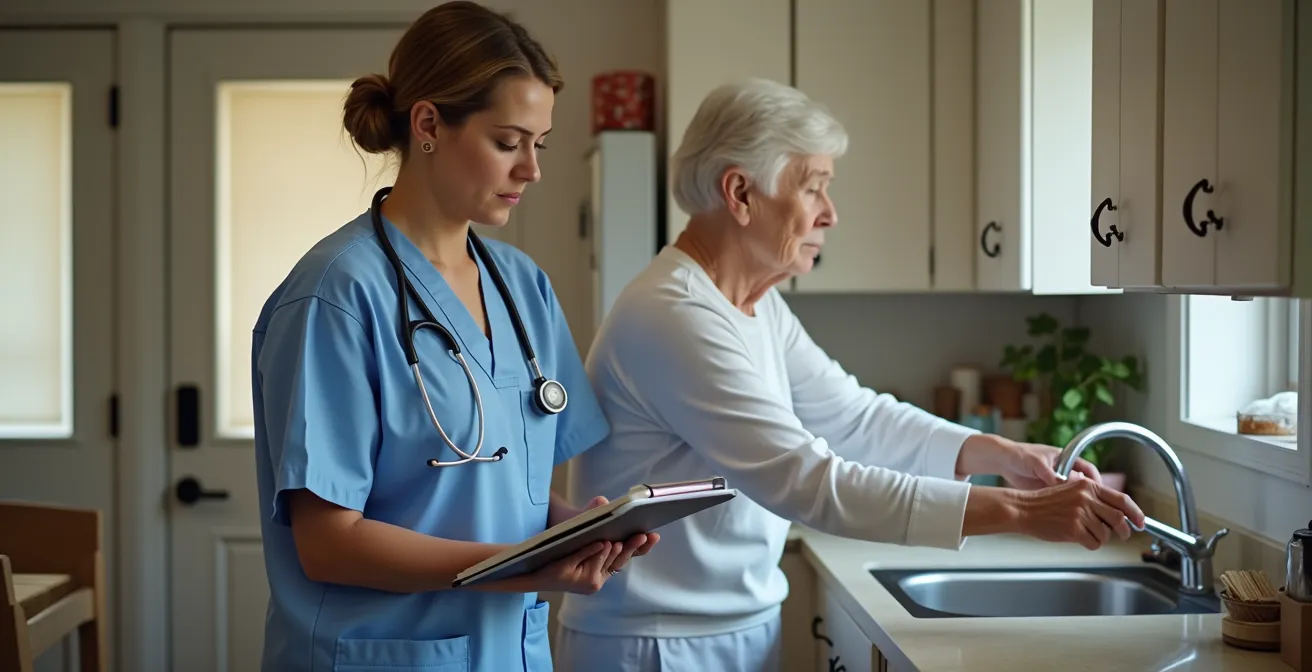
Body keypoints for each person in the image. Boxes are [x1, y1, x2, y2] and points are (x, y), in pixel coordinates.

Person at [552, 77, 1147, 671]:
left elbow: (856, 418)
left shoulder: (751, 306)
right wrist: (1020, 513)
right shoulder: (675, 314)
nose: (830, 214)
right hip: (656, 645)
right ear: (740, 192)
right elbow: (808, 481)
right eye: (813, 188)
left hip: (719, 630)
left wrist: (1004, 454)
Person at [249, 3, 657, 670]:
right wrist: (523, 569)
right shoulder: (337, 296)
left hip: (507, 650)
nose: (532, 169)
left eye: (540, 143)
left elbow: (504, 490)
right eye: (508, 142)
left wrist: (577, 531)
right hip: (384, 655)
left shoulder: (523, 288)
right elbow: (327, 542)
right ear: (430, 123)